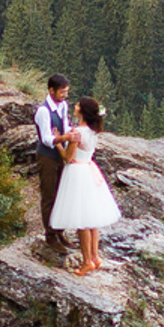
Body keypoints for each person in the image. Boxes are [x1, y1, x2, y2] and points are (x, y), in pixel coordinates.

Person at [50, 97, 121, 274]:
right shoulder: (92, 131)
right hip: (89, 170)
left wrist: (58, 142)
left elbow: (68, 157)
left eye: (77, 105)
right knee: (92, 220)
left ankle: (86, 261)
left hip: (77, 172)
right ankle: (95, 257)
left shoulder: (77, 132)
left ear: (81, 111)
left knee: (81, 221)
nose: (75, 106)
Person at [31, 75, 72, 240]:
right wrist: (63, 138)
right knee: (49, 195)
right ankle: (50, 235)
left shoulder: (63, 106)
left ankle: (60, 231)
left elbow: (65, 125)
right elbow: (46, 138)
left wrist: (70, 132)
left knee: (60, 194)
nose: (64, 95)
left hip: (59, 154)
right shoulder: (43, 111)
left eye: (66, 92)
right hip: (47, 156)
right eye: (62, 92)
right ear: (51, 90)